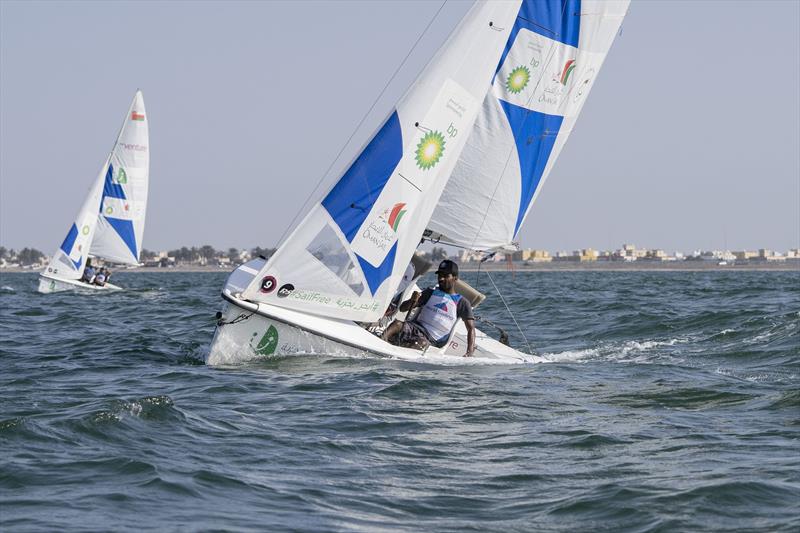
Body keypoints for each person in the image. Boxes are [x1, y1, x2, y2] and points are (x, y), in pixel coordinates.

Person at [381, 259, 475, 357]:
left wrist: (469, 352)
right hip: (415, 328)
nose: (441, 279)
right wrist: (412, 301)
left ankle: (396, 355)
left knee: (420, 343)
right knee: (397, 324)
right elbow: (403, 309)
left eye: (446, 276)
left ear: (455, 278)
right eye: (440, 275)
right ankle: (380, 343)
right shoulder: (430, 292)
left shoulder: (462, 302)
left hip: (432, 339)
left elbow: (470, 329)